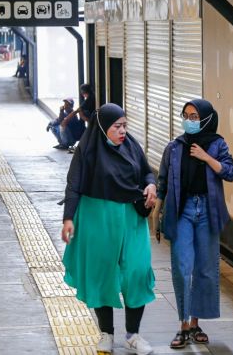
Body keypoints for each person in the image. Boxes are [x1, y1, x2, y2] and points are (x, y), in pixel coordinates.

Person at [61, 103, 157, 355]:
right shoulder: (88, 150)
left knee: (137, 272)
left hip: (131, 218)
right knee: (101, 274)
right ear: (104, 127)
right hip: (97, 218)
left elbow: (147, 173)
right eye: (117, 126)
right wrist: (68, 218)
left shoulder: (132, 146)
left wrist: (150, 186)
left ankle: (133, 335)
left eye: (125, 125)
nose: (123, 131)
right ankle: (106, 334)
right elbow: (73, 186)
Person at [152, 99, 233, 349]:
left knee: (205, 268)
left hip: (208, 212)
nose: (189, 121)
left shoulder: (217, 144)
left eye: (194, 116)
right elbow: (163, 182)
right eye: (186, 115)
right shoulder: (175, 147)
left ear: (207, 119)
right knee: (181, 267)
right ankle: (183, 325)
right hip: (183, 211)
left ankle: (196, 323)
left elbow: (231, 172)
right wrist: (157, 214)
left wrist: (205, 157)